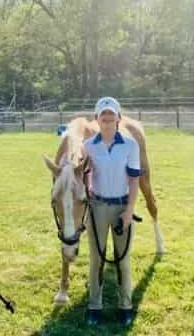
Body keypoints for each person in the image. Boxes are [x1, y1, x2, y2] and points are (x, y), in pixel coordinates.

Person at [83, 97, 141, 327]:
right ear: (97, 119)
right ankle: (94, 306)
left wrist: (129, 211)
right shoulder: (88, 146)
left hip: (121, 207)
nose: (107, 122)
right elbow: (84, 174)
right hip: (97, 208)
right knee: (96, 259)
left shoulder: (130, 144)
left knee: (122, 259)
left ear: (118, 118)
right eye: (103, 117)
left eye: (111, 117)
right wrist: (87, 190)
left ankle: (125, 306)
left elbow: (134, 181)